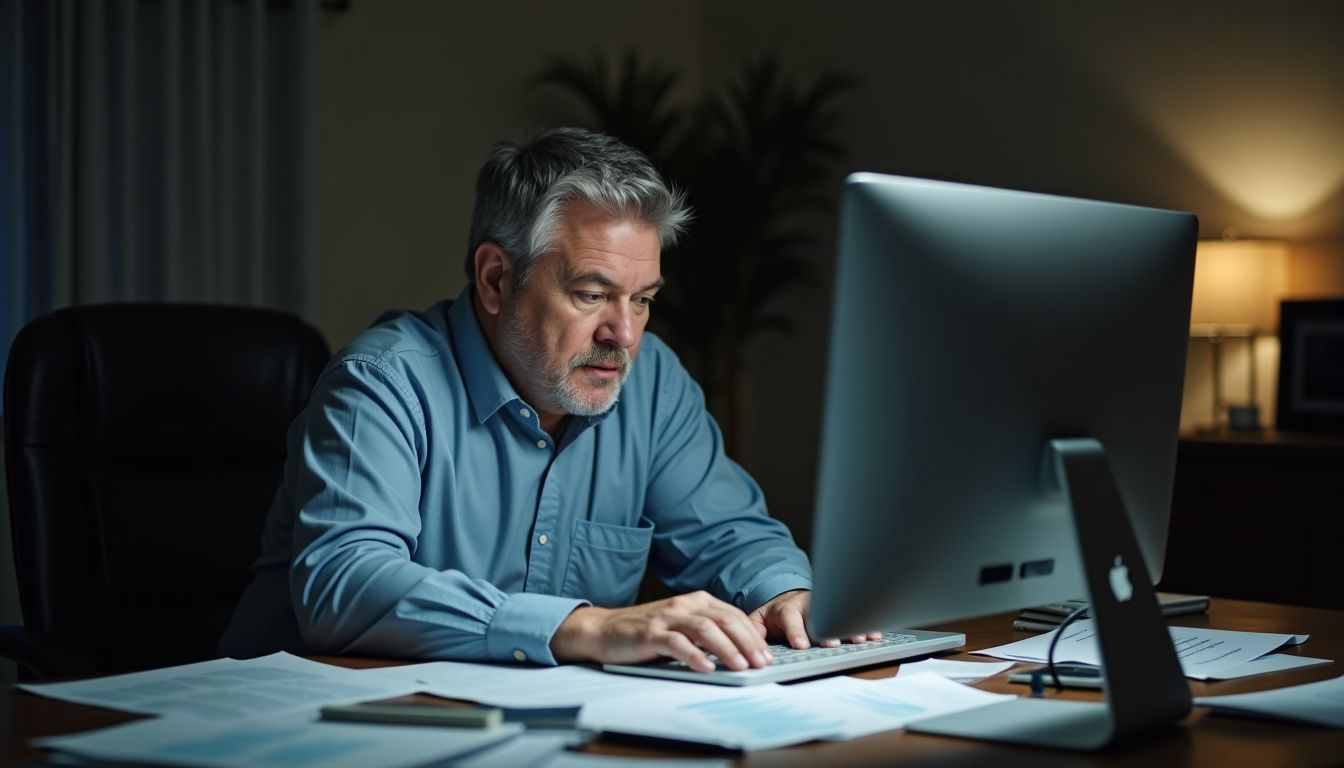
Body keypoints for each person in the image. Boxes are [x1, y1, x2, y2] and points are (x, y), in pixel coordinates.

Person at [220, 127, 874, 673]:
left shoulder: (651, 383)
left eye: (642, 299)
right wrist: (584, 628)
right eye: (592, 294)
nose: (623, 334)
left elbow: (730, 534)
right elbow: (345, 584)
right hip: (310, 729)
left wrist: (786, 592)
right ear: (496, 278)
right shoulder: (380, 384)